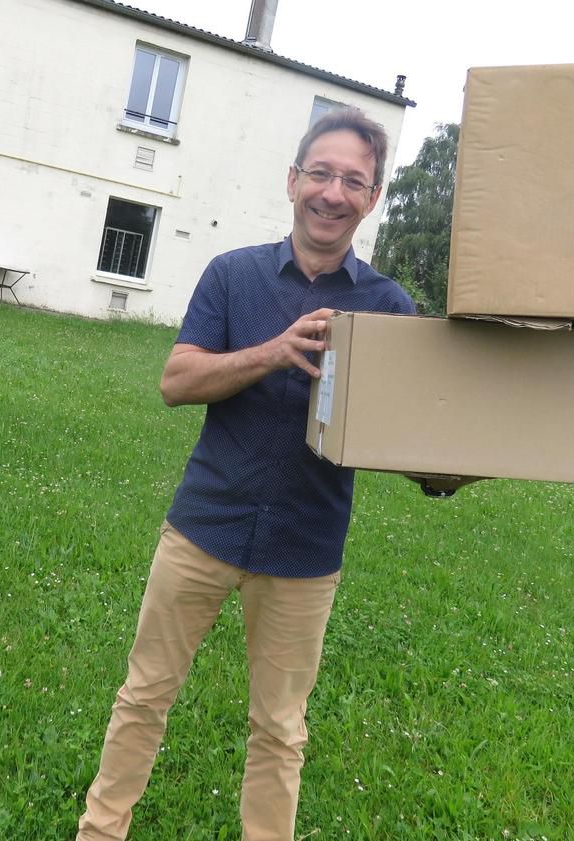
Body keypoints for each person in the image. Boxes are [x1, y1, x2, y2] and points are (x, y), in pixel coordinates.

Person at [76, 107, 415, 841]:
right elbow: (176, 379)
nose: (332, 192)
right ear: (293, 180)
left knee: (280, 728)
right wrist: (272, 350)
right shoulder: (233, 275)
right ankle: (99, 832)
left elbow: (415, 425)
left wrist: (450, 466)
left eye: (352, 180)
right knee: (144, 696)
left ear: (372, 197)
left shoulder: (390, 309)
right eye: (320, 173)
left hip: (304, 548)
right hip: (204, 526)